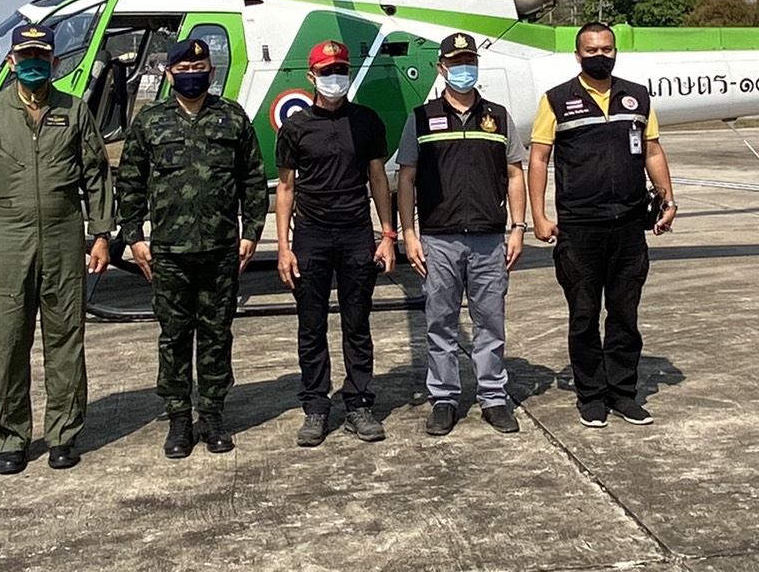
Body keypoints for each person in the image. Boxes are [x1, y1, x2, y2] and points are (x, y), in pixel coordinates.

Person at [0, 23, 114, 475]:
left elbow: (96, 176)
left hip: (64, 235)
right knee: (9, 342)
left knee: (66, 339)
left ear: (55, 63)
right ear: (11, 63)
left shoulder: (74, 111)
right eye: (26, 58)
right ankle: (11, 436)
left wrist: (101, 233)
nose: (34, 66)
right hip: (9, 237)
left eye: (42, 58)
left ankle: (63, 433)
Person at [115, 37, 268, 459]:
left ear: (211, 73)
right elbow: (129, 182)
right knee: (175, 336)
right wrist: (134, 236)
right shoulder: (150, 122)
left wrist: (251, 232)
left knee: (217, 335)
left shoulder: (232, 119)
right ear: (169, 74)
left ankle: (213, 413)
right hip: (167, 251)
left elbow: (252, 179)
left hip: (221, 249)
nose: (191, 76)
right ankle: (179, 416)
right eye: (182, 71)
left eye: (198, 70)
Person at [529, 22, 678, 429]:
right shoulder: (556, 100)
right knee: (583, 315)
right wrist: (539, 216)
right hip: (579, 228)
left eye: (606, 49)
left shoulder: (637, 96)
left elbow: (652, 149)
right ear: (578, 55)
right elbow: (539, 158)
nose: (600, 55)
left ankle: (623, 394)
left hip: (629, 226)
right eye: (591, 50)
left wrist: (667, 197)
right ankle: (591, 396)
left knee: (625, 315)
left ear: (616, 52)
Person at [398, 31, 529, 436]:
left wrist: (519, 228)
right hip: (439, 238)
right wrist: (409, 232)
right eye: (455, 63)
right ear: (441, 68)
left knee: (490, 321)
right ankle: (444, 398)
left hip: (490, 238)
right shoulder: (420, 118)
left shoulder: (499, 116)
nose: (462, 69)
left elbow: (514, 173)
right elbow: (406, 177)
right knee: (441, 322)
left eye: (468, 61)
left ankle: (493, 397)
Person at [275, 39, 396, 447]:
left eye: (340, 70)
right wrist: (284, 246)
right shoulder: (295, 127)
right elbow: (286, 188)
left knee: (357, 323)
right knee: (311, 325)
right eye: (326, 72)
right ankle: (315, 406)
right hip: (311, 235)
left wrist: (387, 235)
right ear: (312, 77)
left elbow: (378, 179)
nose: (334, 78)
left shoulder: (366, 120)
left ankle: (359, 402)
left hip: (356, 233)